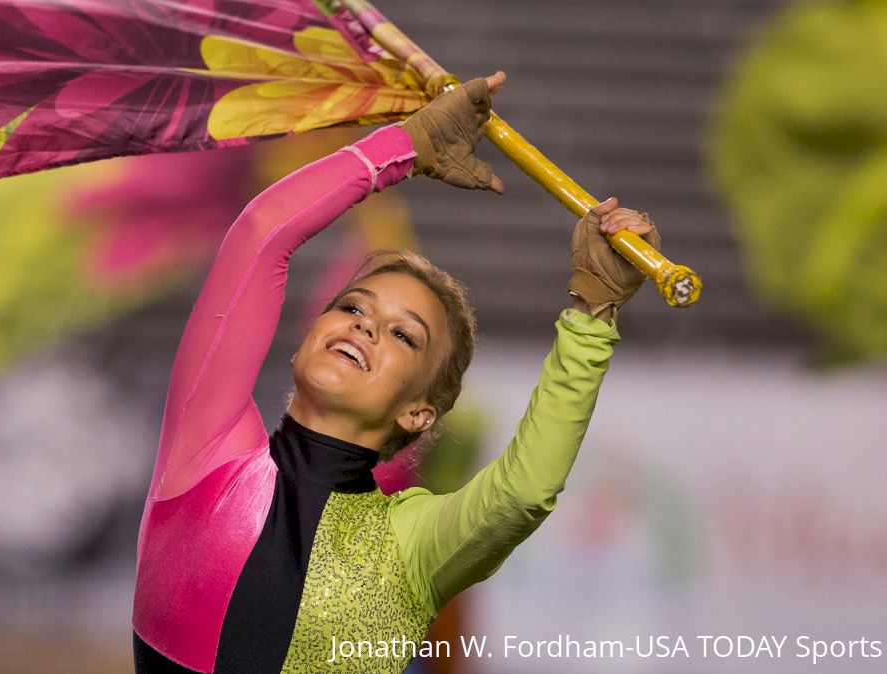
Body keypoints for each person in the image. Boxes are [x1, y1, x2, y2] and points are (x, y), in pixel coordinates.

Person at [131, 71, 660, 673]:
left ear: (420, 411)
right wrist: (401, 149)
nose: (364, 326)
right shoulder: (203, 449)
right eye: (353, 307)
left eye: (404, 335)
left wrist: (593, 312)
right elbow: (260, 234)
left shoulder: (413, 545)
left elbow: (525, 490)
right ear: (306, 340)